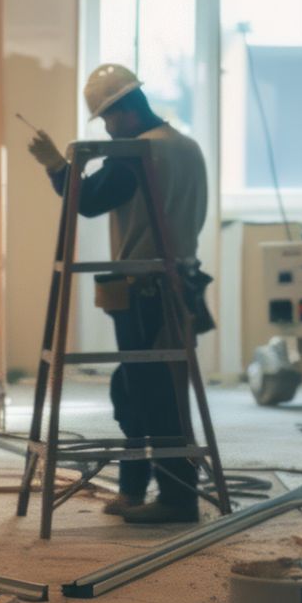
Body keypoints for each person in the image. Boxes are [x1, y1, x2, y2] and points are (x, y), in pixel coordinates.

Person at [25, 64, 212, 524]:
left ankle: (177, 499)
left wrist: (56, 167)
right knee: (134, 388)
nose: (107, 129)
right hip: (176, 282)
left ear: (124, 111)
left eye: (107, 120)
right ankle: (134, 488)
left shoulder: (138, 153)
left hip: (147, 289)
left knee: (156, 395)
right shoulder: (185, 145)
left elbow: (87, 202)